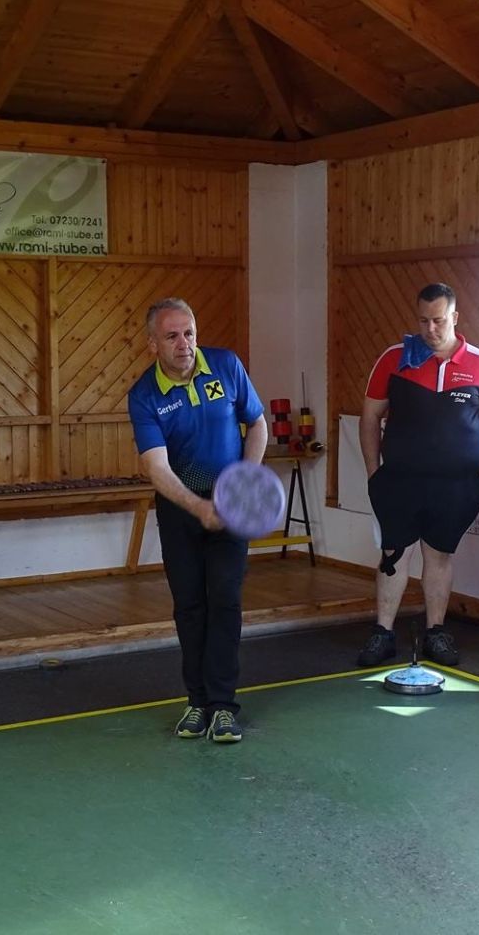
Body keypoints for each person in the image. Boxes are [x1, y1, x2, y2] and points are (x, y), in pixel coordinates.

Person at [128, 298, 267, 743]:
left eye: (188, 333)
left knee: (224, 599)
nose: (184, 344)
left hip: (229, 505)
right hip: (180, 508)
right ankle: (197, 702)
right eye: (172, 336)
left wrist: (242, 483)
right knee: (190, 606)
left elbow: (257, 424)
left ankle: (223, 706)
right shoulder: (144, 395)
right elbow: (157, 468)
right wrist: (198, 507)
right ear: (153, 344)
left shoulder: (225, 366)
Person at [356, 283, 479, 667]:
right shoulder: (394, 359)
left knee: (439, 555)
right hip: (399, 481)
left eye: (438, 320)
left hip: (456, 485)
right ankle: (382, 633)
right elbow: (370, 416)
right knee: (393, 553)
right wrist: (374, 472)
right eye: (423, 321)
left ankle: (436, 632)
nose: (430, 329)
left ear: (454, 317)